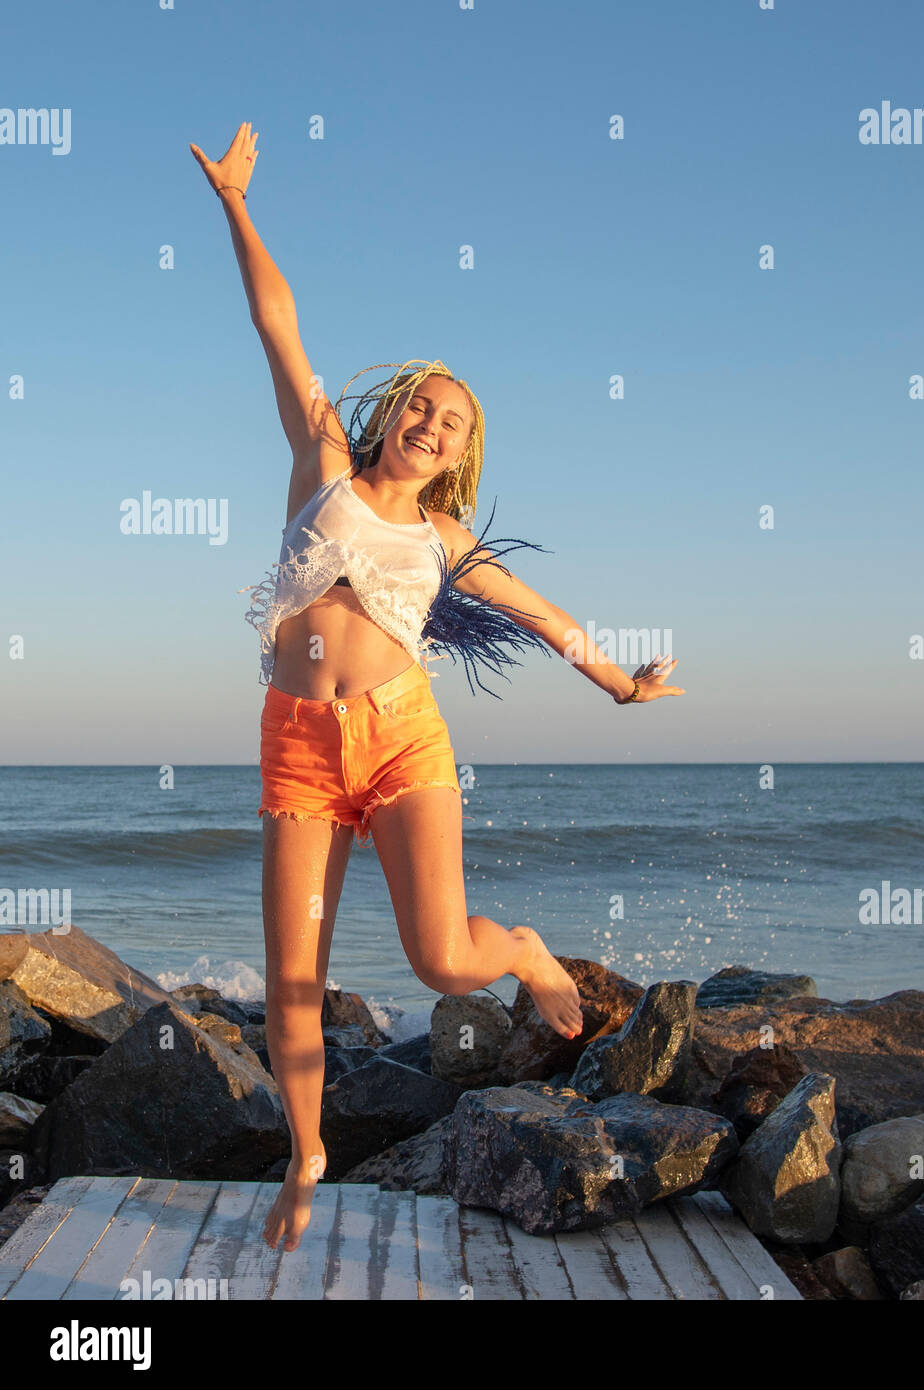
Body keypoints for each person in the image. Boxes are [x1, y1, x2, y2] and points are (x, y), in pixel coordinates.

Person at [189, 123, 685, 1252]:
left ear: (460, 453)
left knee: (443, 960)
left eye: (451, 421)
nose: (429, 422)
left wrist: (617, 682)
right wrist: (235, 205)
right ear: (393, 410)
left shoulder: (449, 538)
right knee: (292, 973)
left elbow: (541, 615)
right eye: (421, 403)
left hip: (404, 739)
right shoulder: (320, 461)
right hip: (299, 745)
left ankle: (518, 946)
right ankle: (307, 1153)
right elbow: (277, 324)